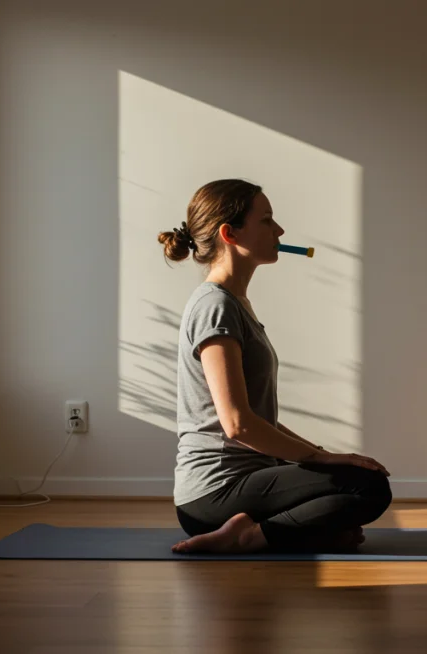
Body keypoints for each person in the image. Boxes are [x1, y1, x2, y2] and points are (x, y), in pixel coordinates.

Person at [157, 179, 392, 554]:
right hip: (215, 492)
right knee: (369, 487)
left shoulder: (234, 304)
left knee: (359, 481)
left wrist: (322, 454)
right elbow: (238, 424)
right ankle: (247, 536)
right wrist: (322, 459)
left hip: (250, 477)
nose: (279, 231)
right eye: (266, 220)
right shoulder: (214, 307)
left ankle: (289, 532)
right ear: (230, 234)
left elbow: (258, 417)